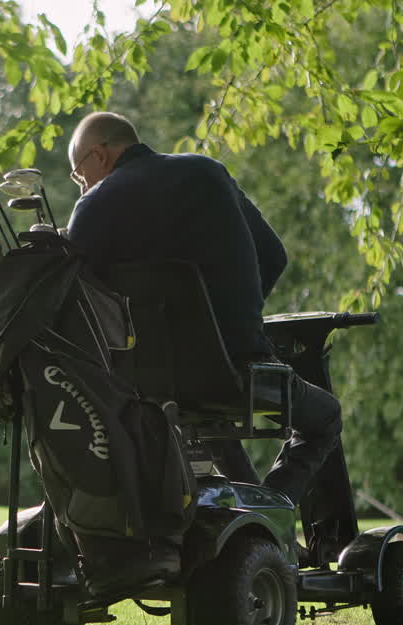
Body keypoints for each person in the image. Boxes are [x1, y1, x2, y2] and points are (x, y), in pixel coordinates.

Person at [64, 111, 342, 573]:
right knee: (325, 417)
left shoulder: (93, 208)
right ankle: (271, 515)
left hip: (144, 387)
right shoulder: (206, 172)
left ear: (101, 153)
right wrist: (234, 318)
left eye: (79, 173)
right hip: (237, 369)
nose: (80, 186)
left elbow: (77, 294)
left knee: (211, 432)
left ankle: (262, 523)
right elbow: (273, 255)